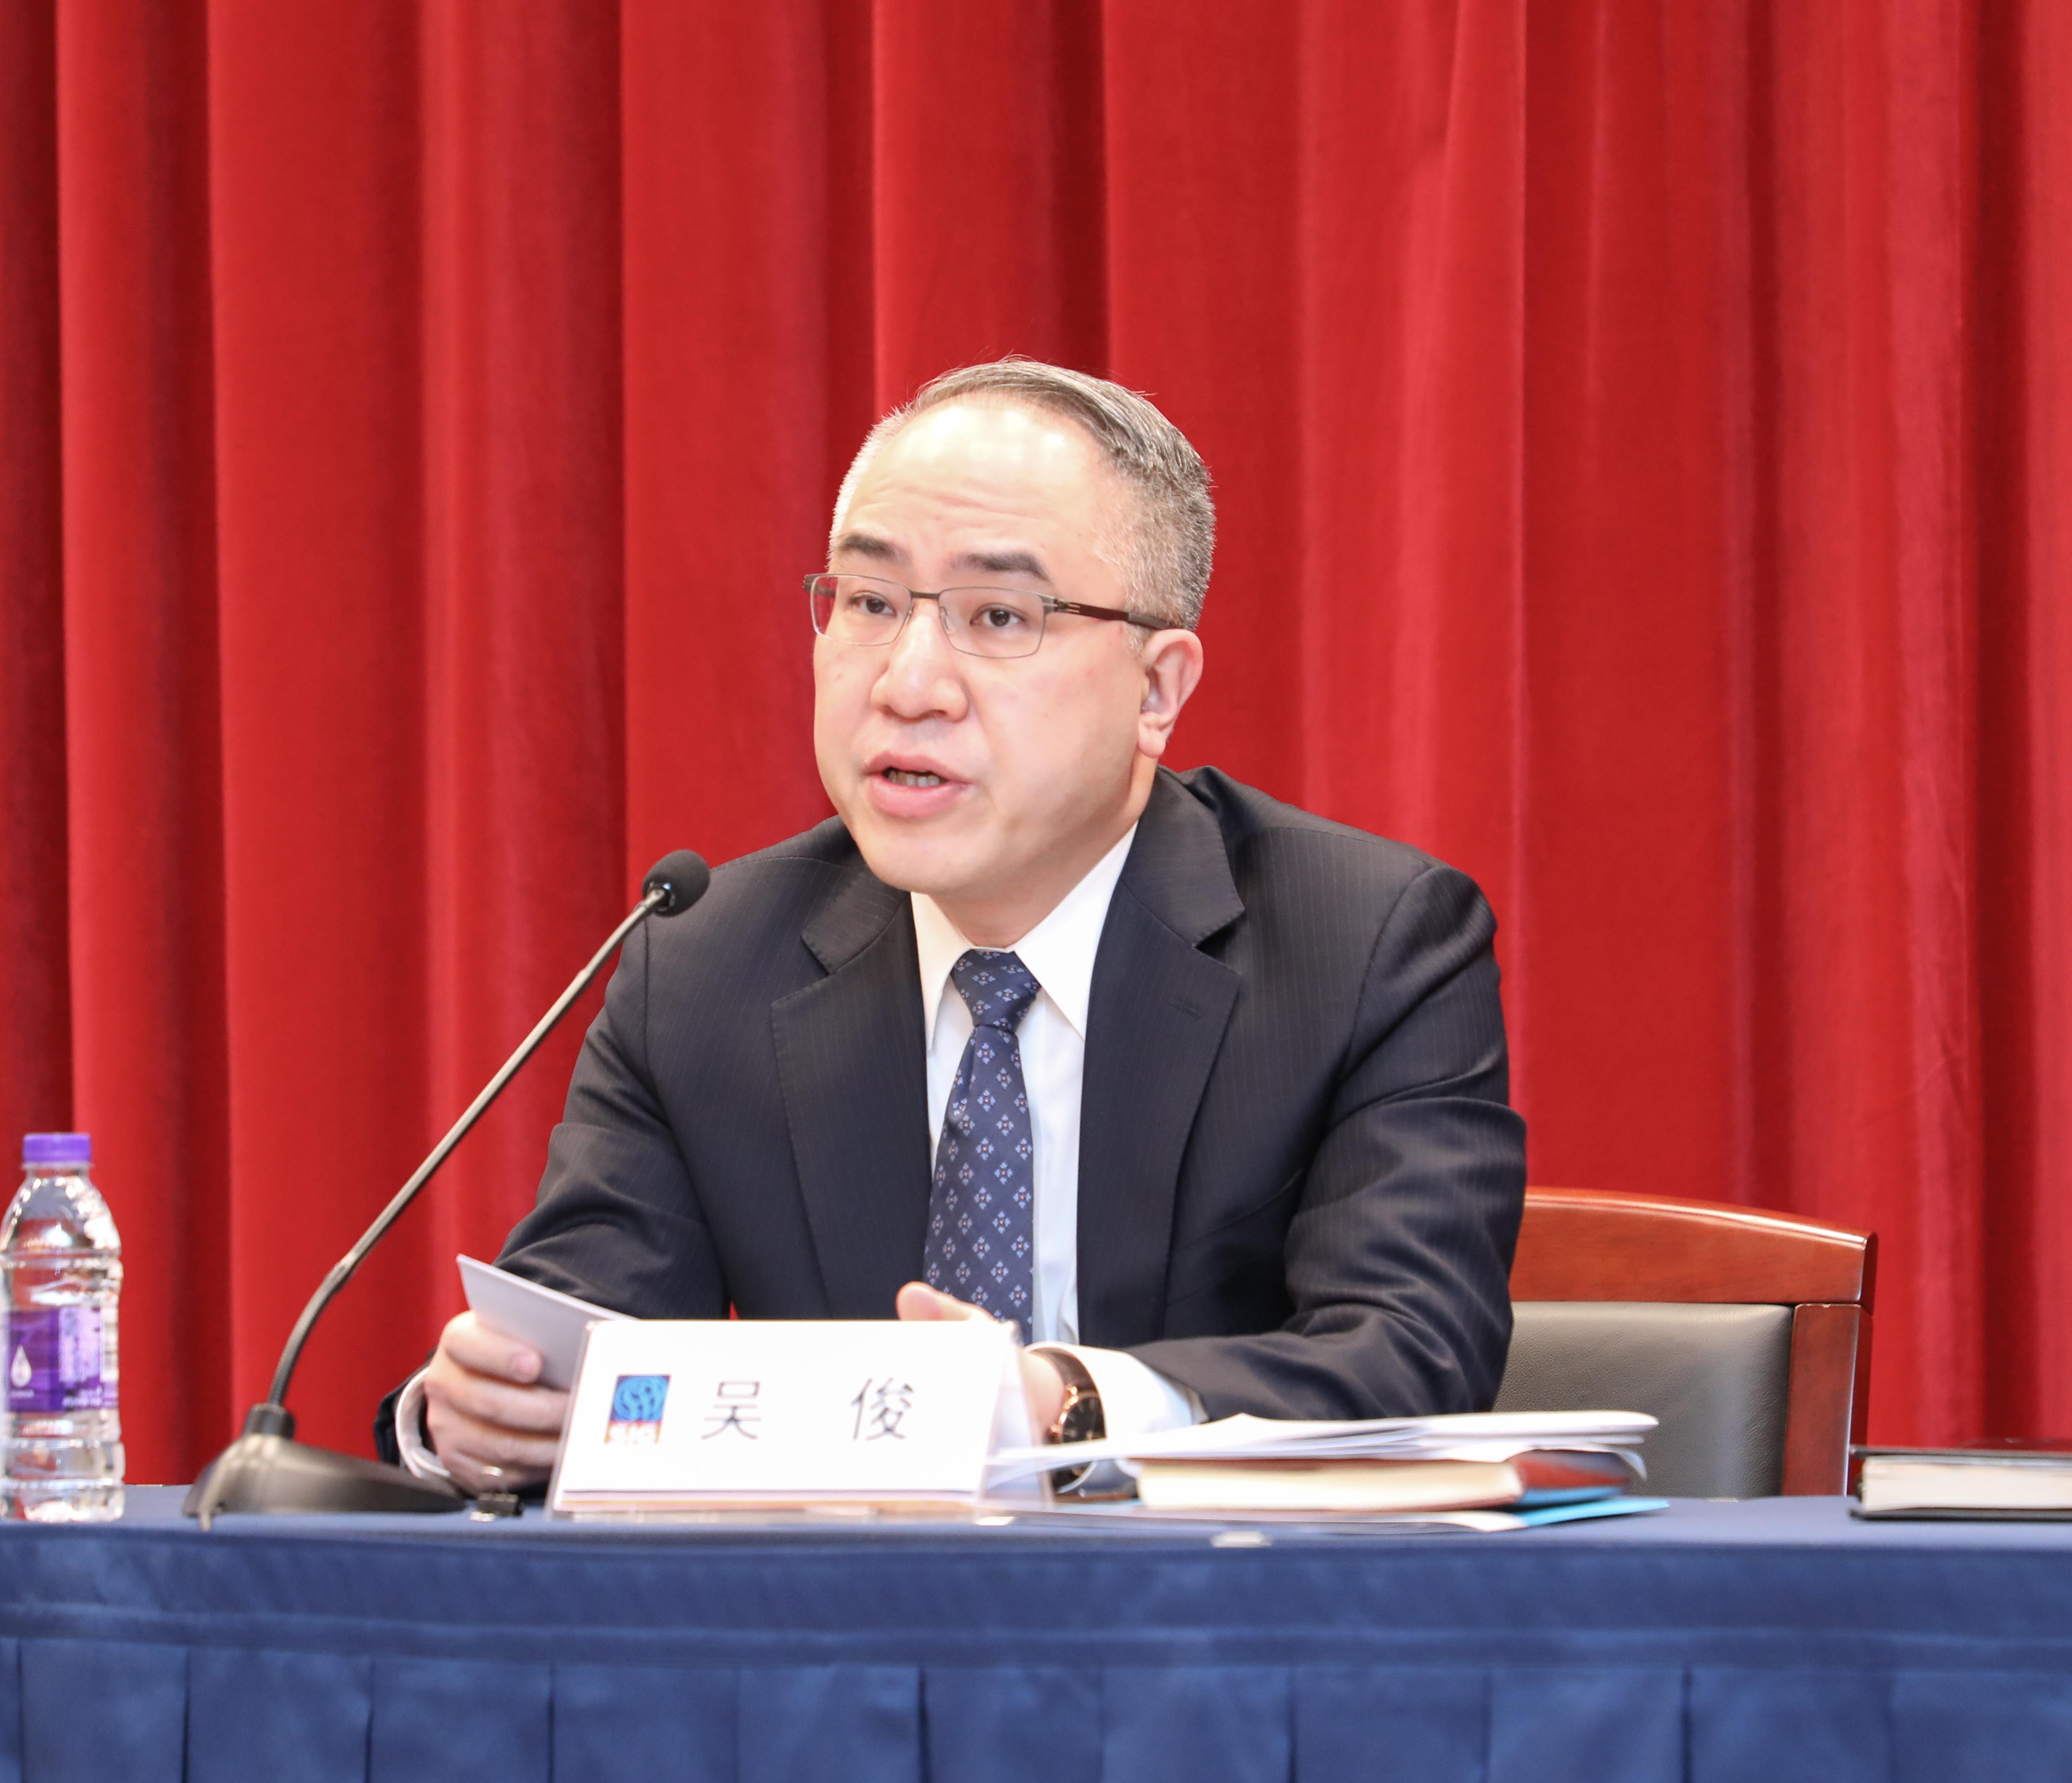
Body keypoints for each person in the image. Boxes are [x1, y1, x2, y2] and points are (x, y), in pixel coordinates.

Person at [378, 358, 1525, 1492]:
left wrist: (1061, 1404)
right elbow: (584, 1338)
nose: (908, 682)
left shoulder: (1361, 947)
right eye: (870, 603)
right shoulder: (703, 960)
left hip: (1216, 1601)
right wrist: (477, 1415)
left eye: (999, 616)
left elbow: (1409, 1357)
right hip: (835, 1612)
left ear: (1156, 690)